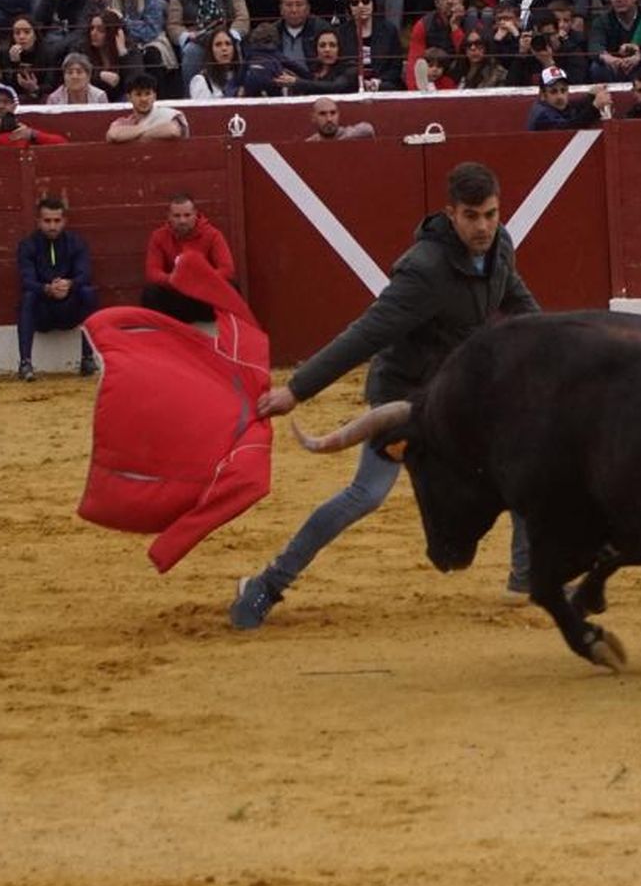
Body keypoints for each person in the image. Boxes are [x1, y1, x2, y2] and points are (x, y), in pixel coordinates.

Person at [230, 161, 540, 628]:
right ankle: (267, 584)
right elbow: (366, 334)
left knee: (522, 465)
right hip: (405, 397)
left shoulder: (501, 247)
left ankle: (527, 576)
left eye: (491, 215)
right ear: (450, 213)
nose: (483, 226)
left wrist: (559, 349)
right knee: (366, 494)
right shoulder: (424, 271)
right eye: (472, 216)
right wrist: (297, 389)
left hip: (455, 393)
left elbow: (518, 301)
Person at [14, 195, 98, 381]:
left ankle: (87, 358)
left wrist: (70, 284)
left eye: (57, 221)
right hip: (43, 311)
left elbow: (84, 274)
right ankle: (25, 362)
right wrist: (46, 289)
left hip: (69, 306)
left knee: (88, 292)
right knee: (28, 297)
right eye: (47, 221)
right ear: (38, 222)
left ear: (64, 221)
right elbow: (26, 280)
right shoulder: (28, 245)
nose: (52, 226)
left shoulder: (76, 243)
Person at [140, 192, 233, 322]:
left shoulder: (213, 235)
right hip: (176, 294)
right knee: (150, 292)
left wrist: (200, 280)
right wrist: (173, 279)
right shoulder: (159, 237)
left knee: (231, 287)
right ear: (169, 217)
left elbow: (227, 269)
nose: (182, 220)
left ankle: (227, 334)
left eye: (187, 215)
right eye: (177, 216)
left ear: (195, 215)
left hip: (204, 296)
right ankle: (159, 334)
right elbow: (152, 272)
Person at [0, 83, 70, 148]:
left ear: (14, 106)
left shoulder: (24, 132)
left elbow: (63, 145)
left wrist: (33, 135)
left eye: (6, 102)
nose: (1, 106)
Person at [525, 65, 611, 129]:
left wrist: (590, 96)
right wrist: (594, 107)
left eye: (563, 90)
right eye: (553, 92)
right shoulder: (542, 114)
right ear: (543, 95)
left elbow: (572, 106)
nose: (560, 96)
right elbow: (568, 129)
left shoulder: (553, 106)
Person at [107, 73, 186, 142]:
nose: (143, 99)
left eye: (148, 94)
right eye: (138, 94)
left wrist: (132, 136)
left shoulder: (166, 114)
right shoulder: (124, 122)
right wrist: (152, 130)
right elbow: (114, 135)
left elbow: (172, 130)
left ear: (154, 96)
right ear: (129, 98)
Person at [306, 95, 376, 138]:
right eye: (322, 114)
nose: (329, 119)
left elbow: (367, 129)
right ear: (313, 118)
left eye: (333, 113)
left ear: (338, 115)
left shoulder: (349, 134)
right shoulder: (311, 142)